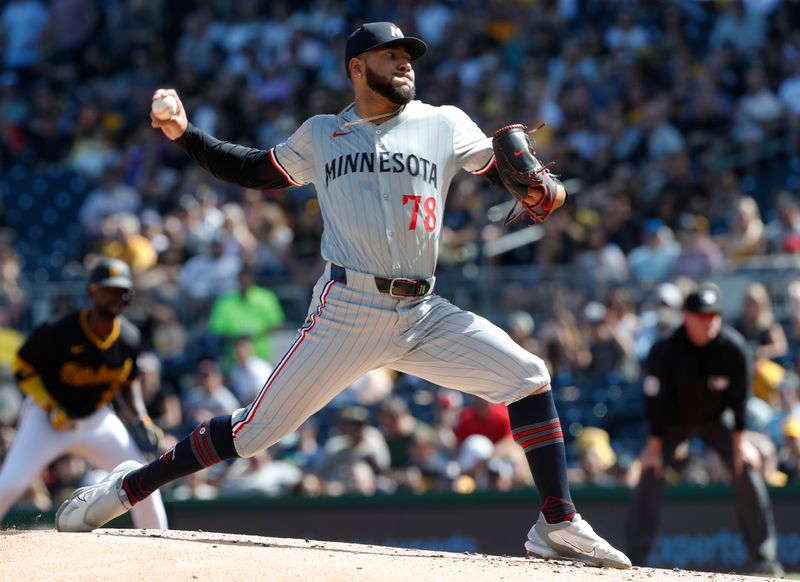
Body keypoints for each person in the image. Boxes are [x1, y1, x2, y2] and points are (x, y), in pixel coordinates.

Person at [55, 22, 629, 568]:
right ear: (358, 67)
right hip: (347, 310)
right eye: (392, 56)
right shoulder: (321, 134)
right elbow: (253, 170)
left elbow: (497, 164)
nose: (406, 64)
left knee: (528, 375)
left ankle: (556, 521)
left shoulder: (444, 122)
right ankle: (127, 487)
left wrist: (529, 182)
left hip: (424, 311)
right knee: (255, 434)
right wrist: (186, 135)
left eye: (409, 57)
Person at [625, 284, 782, 576]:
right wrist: (654, 448)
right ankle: (634, 558)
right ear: (686, 317)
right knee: (649, 472)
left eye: (713, 316)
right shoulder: (665, 350)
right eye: (701, 316)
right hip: (672, 422)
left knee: (745, 469)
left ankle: (765, 558)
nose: (709, 322)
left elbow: (739, 403)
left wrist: (740, 444)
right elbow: (655, 403)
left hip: (716, 421)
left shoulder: (733, 348)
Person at [0, 257, 168, 529]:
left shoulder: (129, 338)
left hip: (97, 421)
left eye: (121, 290)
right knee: (9, 486)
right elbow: (22, 368)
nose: (115, 296)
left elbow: (129, 382)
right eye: (108, 289)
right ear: (92, 291)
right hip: (47, 421)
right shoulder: (61, 329)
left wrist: (142, 419)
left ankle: (161, 552)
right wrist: (48, 404)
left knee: (143, 482)